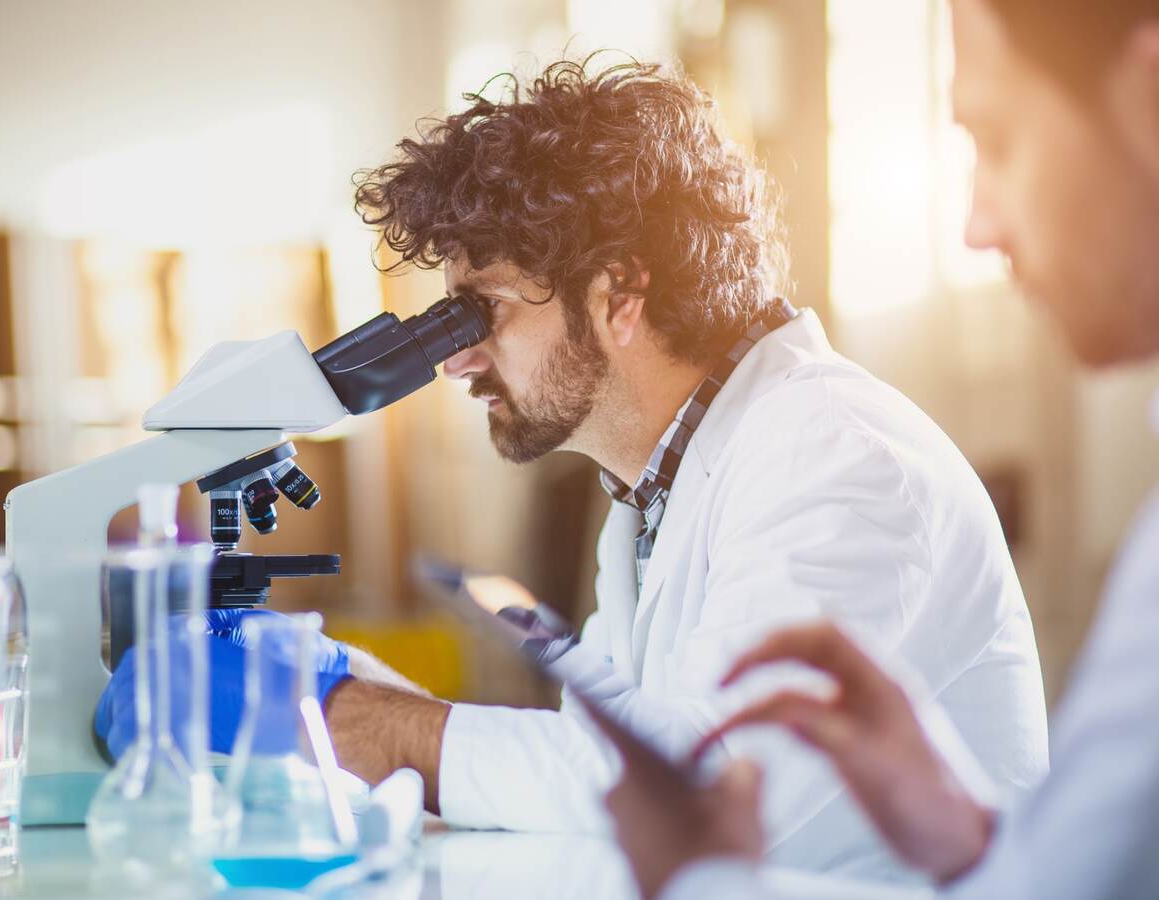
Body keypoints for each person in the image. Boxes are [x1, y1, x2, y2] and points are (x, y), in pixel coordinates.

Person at [96, 56, 1048, 880]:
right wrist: (372, 694)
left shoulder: (837, 459)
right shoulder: (656, 488)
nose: (458, 360)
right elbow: (601, 768)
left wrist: (374, 723)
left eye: (480, 314)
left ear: (621, 290)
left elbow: (705, 787)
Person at [603, 2, 1159, 898]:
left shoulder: (835, 448)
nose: (978, 225)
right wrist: (961, 831)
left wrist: (697, 876)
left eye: (1000, 140)